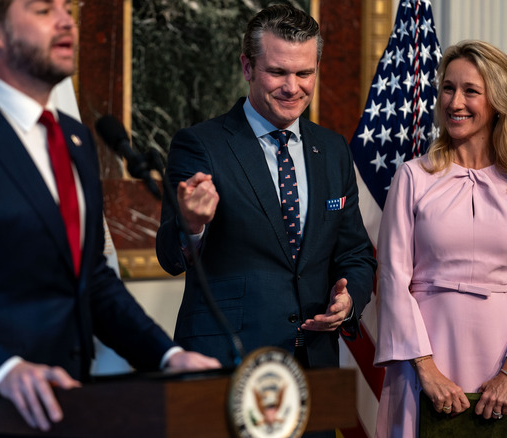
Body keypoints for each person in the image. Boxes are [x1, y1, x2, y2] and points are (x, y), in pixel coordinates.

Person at [0, 0, 220, 436]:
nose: (65, 20)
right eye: (42, 9)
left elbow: (91, 278)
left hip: (67, 409)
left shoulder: (75, 140)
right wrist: (3, 370)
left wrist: (167, 357)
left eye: (66, 8)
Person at [155, 4, 377, 370]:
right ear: (247, 67)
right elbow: (170, 256)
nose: (293, 87)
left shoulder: (333, 148)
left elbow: (354, 253)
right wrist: (191, 224)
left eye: (304, 73)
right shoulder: (199, 144)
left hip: (313, 364)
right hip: (229, 360)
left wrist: (348, 299)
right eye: (277, 72)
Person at [373, 40, 507, 437]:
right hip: (424, 358)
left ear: (498, 101)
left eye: (470, 91)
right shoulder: (411, 177)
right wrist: (425, 368)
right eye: (447, 88)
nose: (454, 101)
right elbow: (391, 278)